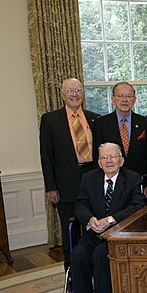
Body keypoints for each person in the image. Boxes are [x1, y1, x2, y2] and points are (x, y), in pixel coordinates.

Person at [66, 142, 146, 293]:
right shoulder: (88, 178)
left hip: (119, 233)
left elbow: (137, 207)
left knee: (101, 255)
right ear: (99, 162)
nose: (109, 161)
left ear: (121, 161)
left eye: (113, 157)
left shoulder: (133, 178)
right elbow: (80, 204)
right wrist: (90, 219)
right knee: (78, 255)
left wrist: (110, 220)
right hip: (94, 231)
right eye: (104, 158)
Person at [39, 78, 99, 270]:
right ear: (62, 94)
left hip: (93, 180)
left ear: (83, 93)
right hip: (65, 184)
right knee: (70, 231)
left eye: (78, 90)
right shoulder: (50, 120)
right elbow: (46, 156)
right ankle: (72, 274)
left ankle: (93, 270)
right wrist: (51, 187)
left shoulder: (95, 118)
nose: (74, 94)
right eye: (70, 91)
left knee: (94, 228)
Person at [92, 81, 147, 199]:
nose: (125, 100)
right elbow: (97, 156)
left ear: (135, 100)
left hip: (139, 183)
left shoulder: (145, 123)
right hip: (111, 183)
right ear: (113, 99)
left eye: (129, 96)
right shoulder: (101, 123)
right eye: (120, 96)